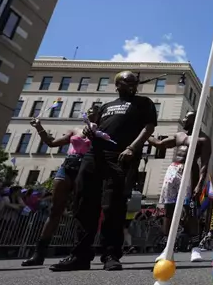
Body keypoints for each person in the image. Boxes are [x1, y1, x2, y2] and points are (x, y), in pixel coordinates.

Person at [50, 71, 157, 272]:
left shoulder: (144, 103)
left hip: (120, 156)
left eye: (134, 80)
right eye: (127, 79)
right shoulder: (106, 106)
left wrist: (132, 148)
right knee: (84, 204)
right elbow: (95, 128)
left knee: (113, 206)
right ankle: (80, 255)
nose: (132, 82)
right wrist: (91, 129)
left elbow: (148, 128)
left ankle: (110, 254)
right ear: (117, 84)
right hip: (94, 155)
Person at [21, 106, 100, 266]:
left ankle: (79, 253)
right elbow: (51, 143)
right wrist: (39, 127)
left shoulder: (103, 131)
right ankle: (39, 254)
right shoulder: (76, 130)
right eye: (91, 109)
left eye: (96, 110)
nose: (92, 111)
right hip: (67, 167)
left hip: (85, 170)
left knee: (81, 213)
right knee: (55, 210)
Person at [150, 111, 212, 263]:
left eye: (187, 117)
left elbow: (204, 165)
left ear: (195, 119)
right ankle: (167, 248)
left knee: (190, 210)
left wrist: (199, 184)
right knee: (169, 209)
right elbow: (160, 144)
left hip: (190, 172)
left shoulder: (203, 139)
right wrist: (144, 133)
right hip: (173, 171)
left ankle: (195, 247)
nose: (184, 119)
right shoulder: (179, 136)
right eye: (184, 116)